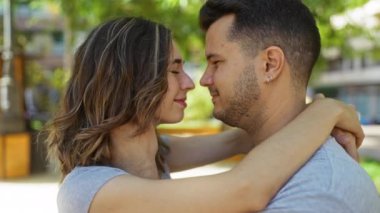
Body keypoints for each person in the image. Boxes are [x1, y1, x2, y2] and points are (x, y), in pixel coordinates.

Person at [46, 17, 363, 213]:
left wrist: (312, 113)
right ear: (131, 80)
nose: (190, 82)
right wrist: (329, 109)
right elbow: (245, 189)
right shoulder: (87, 190)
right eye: (173, 70)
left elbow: (246, 137)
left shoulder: (153, 153)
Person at [199, 0, 380, 212]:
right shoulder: (295, 173)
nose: (204, 79)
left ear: (270, 65)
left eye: (216, 62)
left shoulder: (317, 191)